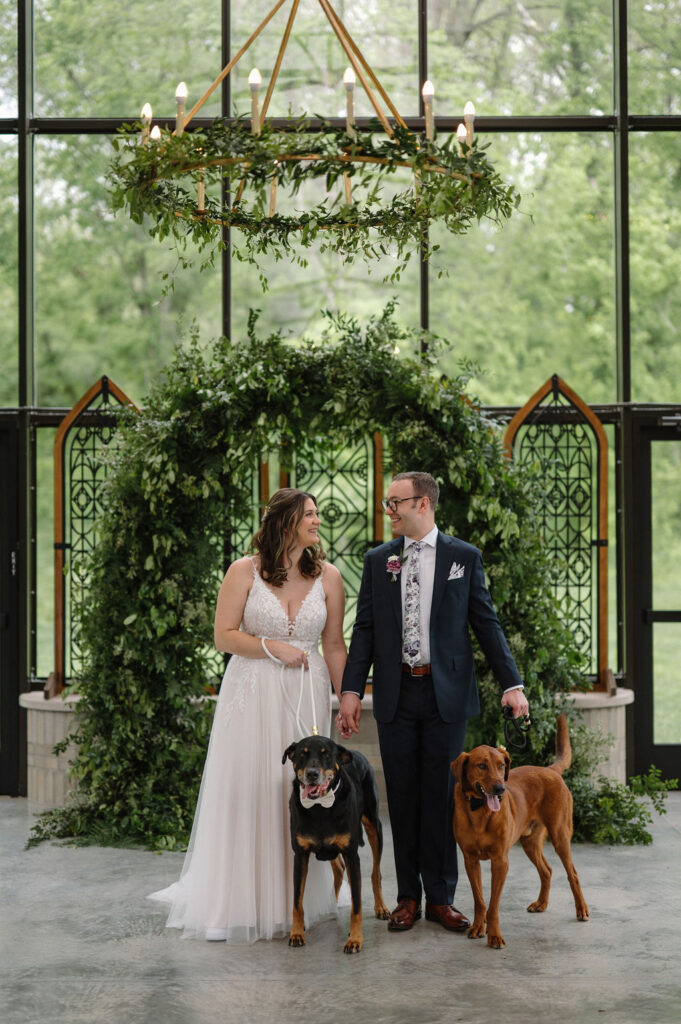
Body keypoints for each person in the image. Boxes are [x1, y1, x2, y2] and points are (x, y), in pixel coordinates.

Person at [149, 488, 348, 942]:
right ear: (285, 521)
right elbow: (223, 636)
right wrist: (272, 647)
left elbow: (335, 644)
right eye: (309, 514)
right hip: (252, 691)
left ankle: (296, 899)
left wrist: (347, 697)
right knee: (247, 788)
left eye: (317, 514)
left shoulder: (330, 576)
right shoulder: (243, 571)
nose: (317, 521)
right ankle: (230, 902)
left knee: (298, 790)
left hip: (307, 691)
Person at [337, 471, 529, 934]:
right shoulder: (378, 560)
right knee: (402, 796)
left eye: (395, 502)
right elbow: (364, 629)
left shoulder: (464, 557)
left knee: (446, 797)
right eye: (387, 502)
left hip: (447, 695)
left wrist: (512, 683)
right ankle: (407, 897)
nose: (389, 510)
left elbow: (486, 622)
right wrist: (350, 690)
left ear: (422, 504)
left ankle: (442, 898)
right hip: (396, 692)